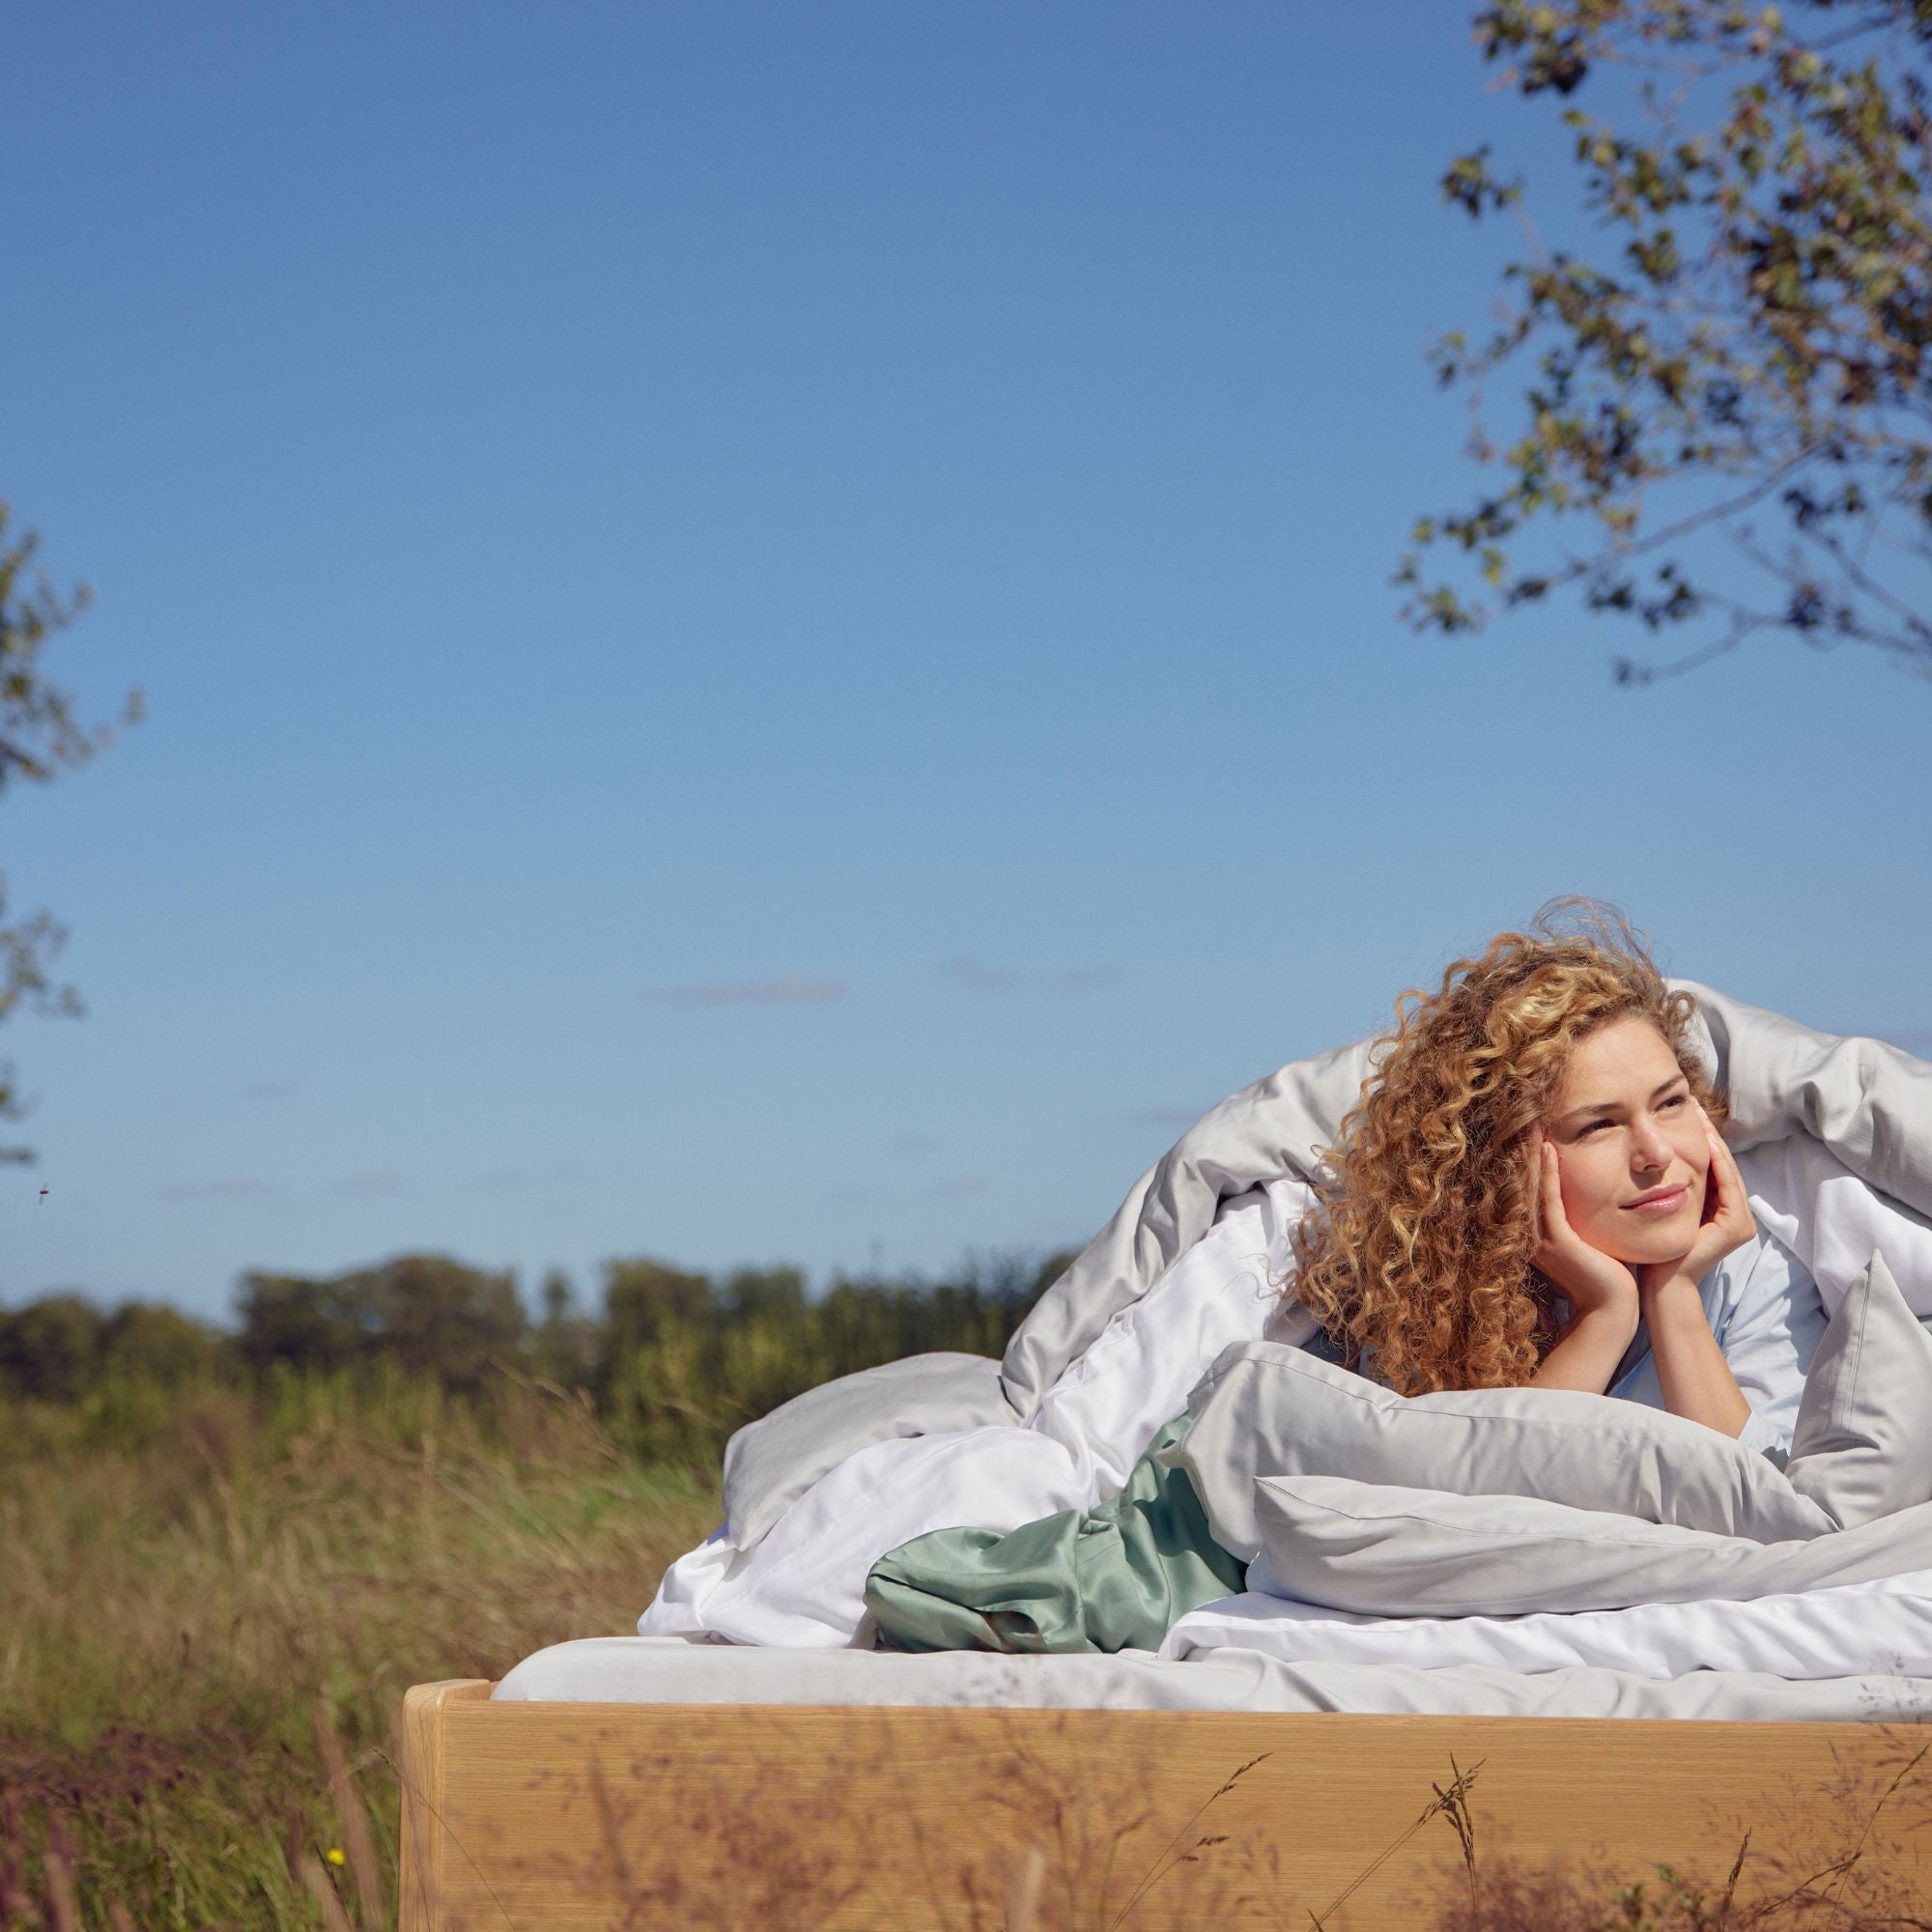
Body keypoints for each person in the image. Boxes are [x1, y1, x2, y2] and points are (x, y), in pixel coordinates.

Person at [1288, 904, 1827, 1455]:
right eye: (1599, 1125)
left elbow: (1770, 1509)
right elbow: (1476, 1514)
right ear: (1505, 1164)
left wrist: (1676, 1299)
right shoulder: (1426, 1298)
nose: (1656, 1153)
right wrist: (1604, 1315)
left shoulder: (1754, 1262)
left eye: (1670, 1103)